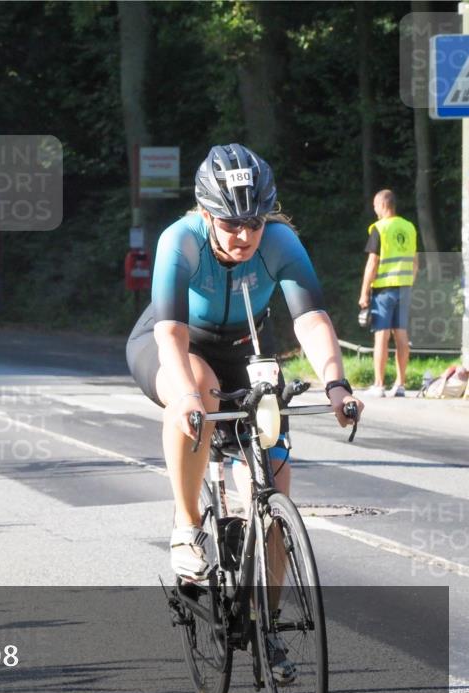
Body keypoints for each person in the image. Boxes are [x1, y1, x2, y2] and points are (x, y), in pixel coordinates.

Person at [127, 143, 363, 579]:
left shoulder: (279, 241)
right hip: (176, 343)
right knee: (198, 388)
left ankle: (268, 629)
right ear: (205, 213)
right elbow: (171, 334)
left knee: (272, 480)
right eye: (230, 223)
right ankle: (187, 525)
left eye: (254, 222)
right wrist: (183, 397)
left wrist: (336, 384)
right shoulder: (180, 240)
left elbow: (311, 321)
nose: (244, 235)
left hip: (246, 345)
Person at [358, 189, 418, 397]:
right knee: (401, 334)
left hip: (384, 289)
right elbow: (415, 260)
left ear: (383, 205)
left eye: (375, 206)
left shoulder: (379, 228)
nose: (375, 210)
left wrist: (364, 292)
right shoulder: (409, 227)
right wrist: (409, 282)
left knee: (381, 336)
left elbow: (372, 262)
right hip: (404, 287)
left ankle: (379, 384)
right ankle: (400, 384)